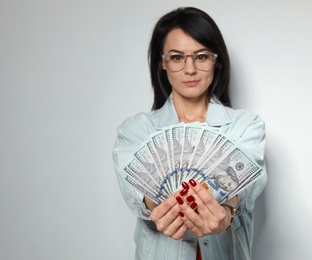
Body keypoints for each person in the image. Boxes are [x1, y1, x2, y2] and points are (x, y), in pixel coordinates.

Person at [112, 7, 267, 260]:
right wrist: (160, 205)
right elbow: (136, 191)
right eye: (177, 57)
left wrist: (226, 212)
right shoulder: (135, 131)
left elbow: (248, 184)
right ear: (162, 62)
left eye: (201, 56)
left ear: (216, 60)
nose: (190, 69)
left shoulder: (245, 126)